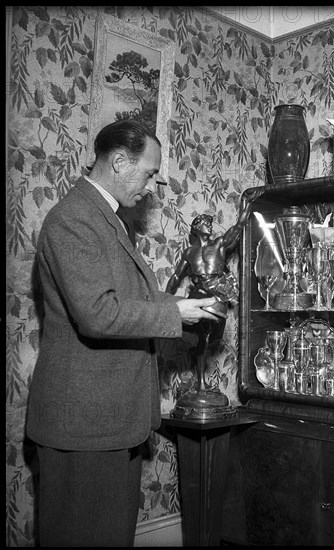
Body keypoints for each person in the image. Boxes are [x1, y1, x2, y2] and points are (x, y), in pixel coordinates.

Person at [25, 119, 221, 547]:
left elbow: (126, 300)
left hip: (110, 422)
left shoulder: (109, 221)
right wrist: (176, 316)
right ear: (118, 162)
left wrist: (179, 303)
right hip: (84, 425)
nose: (151, 186)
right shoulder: (74, 220)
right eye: (149, 172)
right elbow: (98, 314)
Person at [165, 190, 262, 396]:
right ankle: (200, 383)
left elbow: (238, 227)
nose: (210, 225)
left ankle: (200, 379)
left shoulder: (218, 245)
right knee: (201, 339)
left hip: (217, 295)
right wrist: (166, 302)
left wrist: (247, 206)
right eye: (205, 223)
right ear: (196, 228)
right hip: (198, 295)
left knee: (213, 339)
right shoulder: (189, 252)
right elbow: (175, 277)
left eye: (210, 223)